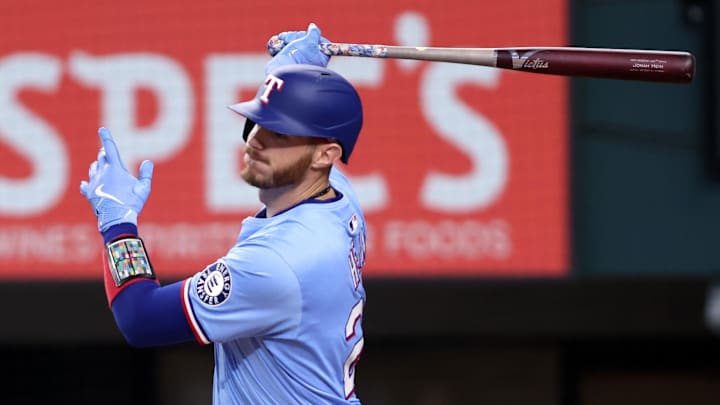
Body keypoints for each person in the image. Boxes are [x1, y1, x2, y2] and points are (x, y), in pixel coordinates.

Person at [79, 23, 367, 404]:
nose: (254, 141)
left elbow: (141, 320)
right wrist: (286, 78)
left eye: (280, 134)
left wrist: (117, 225)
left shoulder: (278, 262)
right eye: (257, 122)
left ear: (325, 155)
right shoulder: (339, 198)